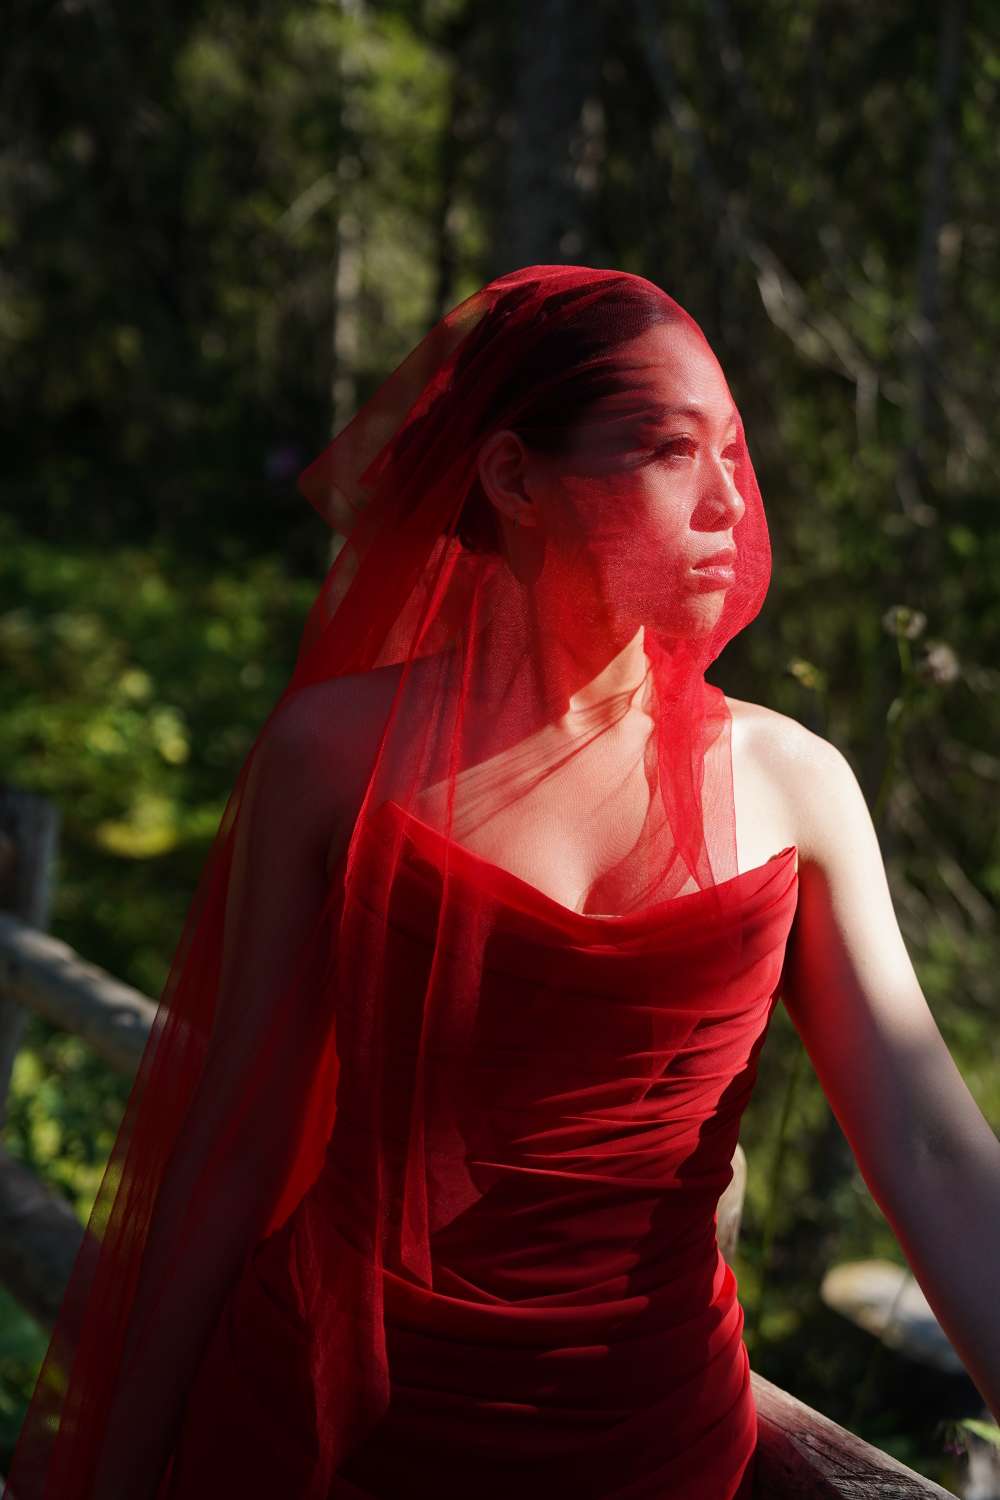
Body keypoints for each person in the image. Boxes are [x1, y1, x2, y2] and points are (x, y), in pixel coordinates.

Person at [5, 265, 999, 1500]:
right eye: (669, 450)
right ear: (516, 480)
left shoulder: (795, 786)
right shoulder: (331, 759)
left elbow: (930, 1150)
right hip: (320, 1446)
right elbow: (235, 1145)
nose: (728, 504)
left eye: (733, 453)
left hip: (646, 1463)